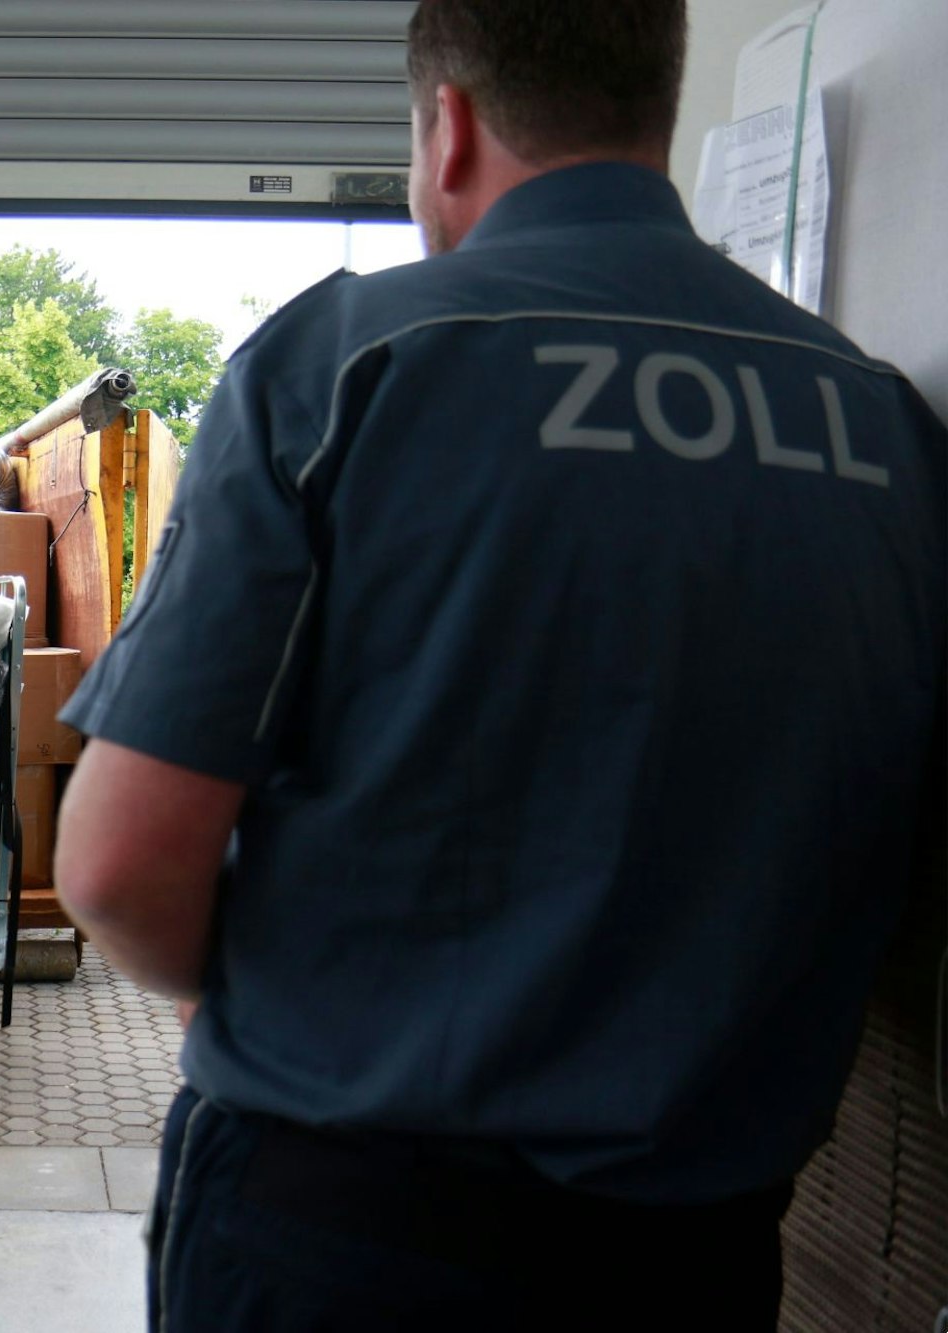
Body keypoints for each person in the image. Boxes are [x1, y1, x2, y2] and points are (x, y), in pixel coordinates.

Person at [52, 3, 947, 1329]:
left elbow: (118, 866)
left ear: (449, 127)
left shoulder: (352, 363)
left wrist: (218, 992)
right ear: (657, 112)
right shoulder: (881, 422)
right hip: (693, 1261)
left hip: (345, 1239)